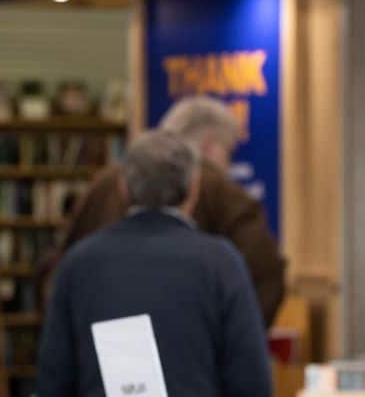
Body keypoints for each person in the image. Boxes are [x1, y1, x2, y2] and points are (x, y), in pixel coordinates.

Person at [36, 132, 275, 397]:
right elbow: (250, 387)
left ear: (124, 186)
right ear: (195, 187)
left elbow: (55, 382)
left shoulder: (81, 264)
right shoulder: (220, 264)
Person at [41, 96, 287, 327]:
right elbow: (266, 273)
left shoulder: (105, 183)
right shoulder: (220, 191)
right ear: (210, 144)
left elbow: (62, 266)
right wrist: (231, 342)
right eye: (229, 152)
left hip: (103, 346)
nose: (228, 164)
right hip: (191, 356)